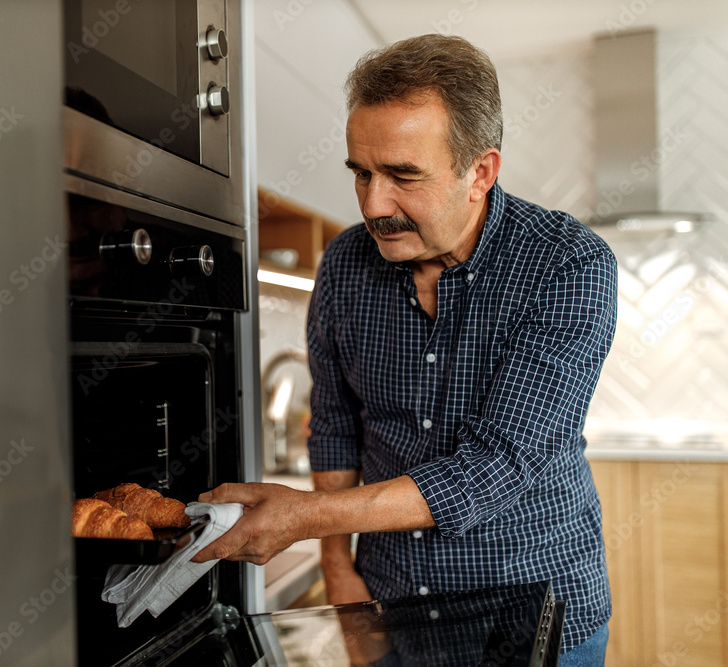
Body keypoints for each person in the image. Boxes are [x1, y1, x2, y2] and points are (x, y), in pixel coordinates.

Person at [193, 34, 616, 663]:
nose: (372, 204)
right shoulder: (342, 265)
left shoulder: (567, 265)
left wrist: (308, 518)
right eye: (361, 173)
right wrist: (338, 568)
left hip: (528, 613)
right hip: (389, 609)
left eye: (402, 176)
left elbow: (493, 468)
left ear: (480, 172)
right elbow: (335, 424)